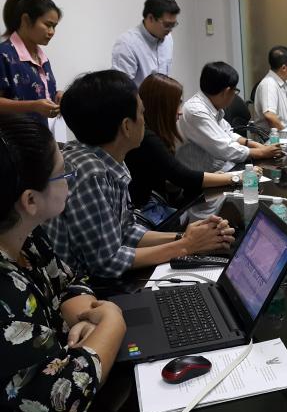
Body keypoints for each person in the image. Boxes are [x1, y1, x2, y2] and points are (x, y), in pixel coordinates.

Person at [43, 70, 236, 280]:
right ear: (127, 126)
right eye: (142, 113)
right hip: (84, 286)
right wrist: (186, 245)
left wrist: (184, 236)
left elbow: (125, 231)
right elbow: (107, 263)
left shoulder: (107, 159)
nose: (145, 121)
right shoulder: (90, 173)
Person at [0, 116, 126, 412]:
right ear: (30, 200)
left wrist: (86, 319)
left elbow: (68, 282)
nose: (69, 180)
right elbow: (57, 401)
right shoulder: (5, 293)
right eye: (62, 173)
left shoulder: (25, 236)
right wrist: (111, 320)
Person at [126, 73, 258, 224]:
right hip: (146, 211)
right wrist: (236, 177)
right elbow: (182, 176)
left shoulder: (156, 134)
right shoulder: (148, 139)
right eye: (176, 104)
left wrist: (214, 177)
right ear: (162, 108)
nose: (180, 111)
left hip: (160, 203)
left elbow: (172, 178)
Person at [177, 62, 283, 172]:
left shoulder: (211, 106)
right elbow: (225, 148)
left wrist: (255, 144)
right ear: (227, 91)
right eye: (235, 91)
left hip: (224, 168)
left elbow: (228, 133)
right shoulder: (196, 111)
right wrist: (261, 152)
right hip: (204, 176)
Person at [0, 0, 61, 124]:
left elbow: (39, 93)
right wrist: (33, 106)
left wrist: (57, 95)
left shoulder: (42, 58)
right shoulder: (3, 54)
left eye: (54, 26)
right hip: (13, 136)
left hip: (41, 134)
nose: (52, 32)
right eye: (48, 24)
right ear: (26, 20)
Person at [111, 0, 180, 86]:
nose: (170, 30)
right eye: (167, 25)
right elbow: (122, 90)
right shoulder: (127, 44)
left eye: (173, 24)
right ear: (150, 18)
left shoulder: (168, 39)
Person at [253, 45, 287, 130]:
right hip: (273, 136)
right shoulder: (269, 84)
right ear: (284, 68)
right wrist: (286, 134)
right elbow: (270, 116)